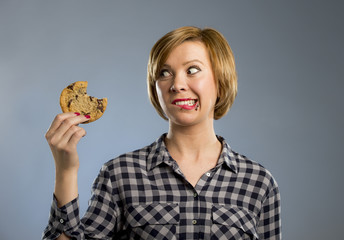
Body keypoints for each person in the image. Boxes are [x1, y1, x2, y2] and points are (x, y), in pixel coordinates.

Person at [43, 26, 281, 240]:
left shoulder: (259, 183)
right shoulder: (119, 175)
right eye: (164, 73)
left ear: (220, 81)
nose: (177, 84)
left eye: (193, 70)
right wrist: (66, 171)